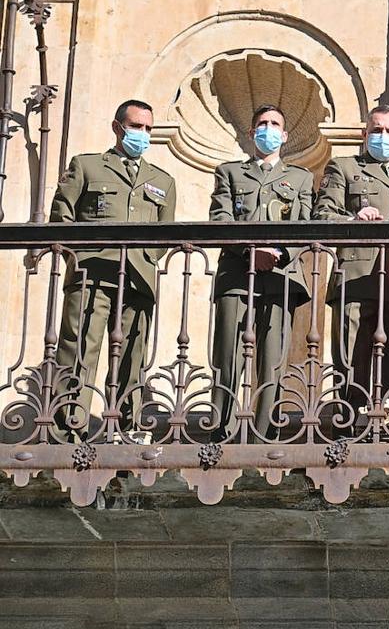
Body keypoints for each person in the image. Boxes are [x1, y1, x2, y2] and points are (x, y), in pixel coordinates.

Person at [50, 100, 177, 441]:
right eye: (137, 127)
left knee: (132, 353)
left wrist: (146, 258)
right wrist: (81, 259)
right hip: (92, 274)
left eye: (149, 129)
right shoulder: (88, 166)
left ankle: (127, 427)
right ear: (117, 127)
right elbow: (61, 218)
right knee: (79, 347)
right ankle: (68, 427)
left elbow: (165, 233)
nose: (143, 134)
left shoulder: (161, 180)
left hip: (138, 278)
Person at [313, 104, 389, 435]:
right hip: (357, 279)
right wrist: (352, 220)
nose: (382, 137)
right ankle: (348, 430)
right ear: (365, 134)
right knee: (352, 357)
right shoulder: (344, 167)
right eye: (376, 131)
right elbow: (322, 216)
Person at [208, 105, 313, 441]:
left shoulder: (301, 178)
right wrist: (250, 252)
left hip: (281, 279)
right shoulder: (229, 172)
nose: (268, 129)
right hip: (236, 277)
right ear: (252, 133)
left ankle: (265, 435)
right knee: (227, 356)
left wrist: (279, 254)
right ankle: (219, 431)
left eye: (274, 124)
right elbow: (220, 220)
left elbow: (307, 226)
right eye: (262, 124)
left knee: (272, 361)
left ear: (284, 135)